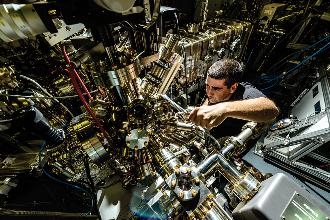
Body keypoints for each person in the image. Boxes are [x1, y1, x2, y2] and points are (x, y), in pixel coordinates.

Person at [188, 58, 279, 139]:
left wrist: (224, 109)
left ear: (233, 87)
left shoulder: (247, 93)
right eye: (207, 85)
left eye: (216, 89)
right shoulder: (212, 89)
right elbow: (209, 99)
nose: (209, 92)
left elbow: (272, 110)